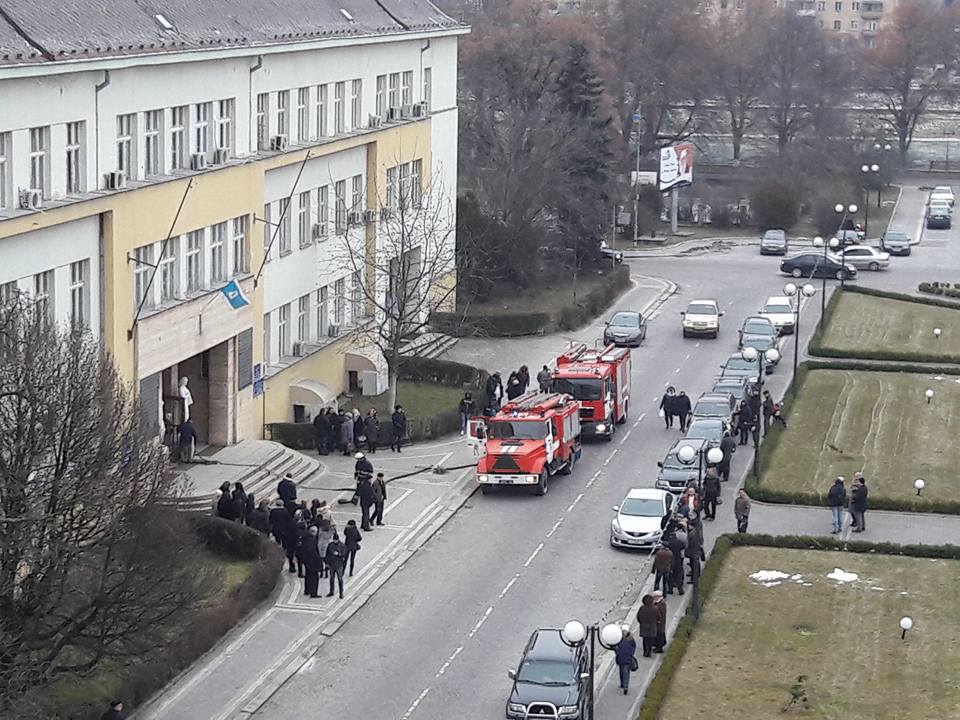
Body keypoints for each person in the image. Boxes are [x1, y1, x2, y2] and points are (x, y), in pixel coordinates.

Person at [614, 628, 637, 694]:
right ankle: (624, 685)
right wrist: (631, 653)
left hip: (622, 659)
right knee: (625, 672)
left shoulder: (619, 640)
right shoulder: (631, 640)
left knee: (623, 671)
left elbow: (615, 648)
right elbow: (634, 646)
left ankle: (624, 686)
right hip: (626, 659)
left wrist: (617, 652)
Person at [301, 525, 322, 598]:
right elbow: (312, 551)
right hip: (312, 561)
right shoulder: (311, 540)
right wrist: (317, 558)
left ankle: (307, 590)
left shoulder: (305, 537)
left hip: (306, 560)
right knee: (314, 577)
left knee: (308, 575)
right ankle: (313, 593)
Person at [325, 531, 347, 598]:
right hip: (331, 564)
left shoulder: (342, 546)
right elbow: (327, 554)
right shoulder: (330, 545)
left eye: (336, 540)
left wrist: (339, 554)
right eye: (334, 540)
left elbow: (345, 554)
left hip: (339, 564)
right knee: (331, 579)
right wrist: (327, 563)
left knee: (340, 579)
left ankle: (341, 592)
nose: (335, 541)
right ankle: (331, 591)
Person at [685, 516, 705, 580]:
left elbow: (689, 543)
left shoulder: (692, 534)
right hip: (695, 550)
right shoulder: (696, 532)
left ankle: (695, 577)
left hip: (693, 551)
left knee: (694, 563)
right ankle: (694, 575)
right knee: (694, 563)